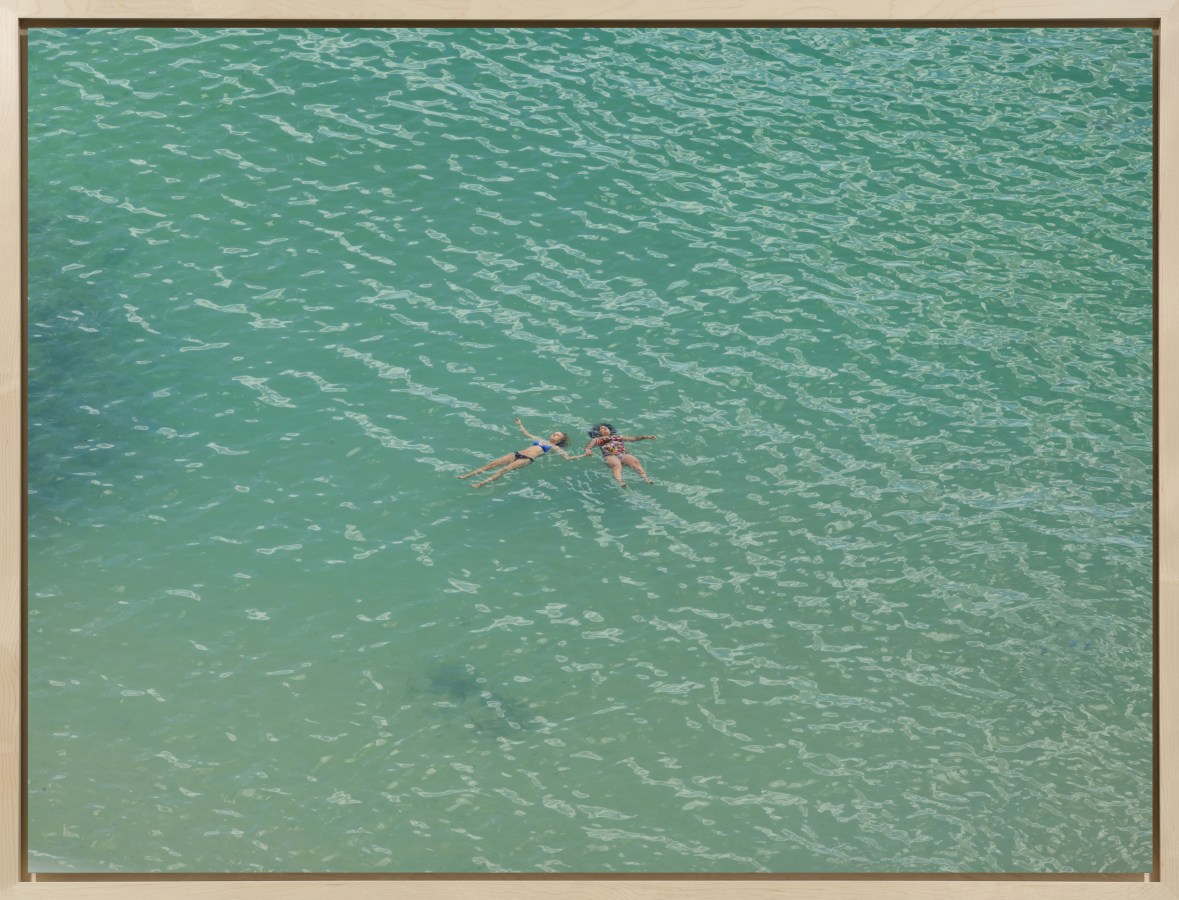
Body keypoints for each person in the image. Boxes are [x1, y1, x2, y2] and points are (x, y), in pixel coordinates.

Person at [458, 418, 577, 488]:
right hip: (517, 453)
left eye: (558, 435)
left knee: (505, 469)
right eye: (554, 433)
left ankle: (480, 484)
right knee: (493, 463)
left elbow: (567, 458)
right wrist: (520, 424)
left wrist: (583, 455)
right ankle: (467, 476)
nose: (554, 434)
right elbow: (527, 434)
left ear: (560, 440)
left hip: (527, 459)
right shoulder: (540, 439)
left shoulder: (555, 448)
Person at [583, 423, 656, 487]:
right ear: (598, 432)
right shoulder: (597, 439)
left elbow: (634, 438)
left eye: (606, 427)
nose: (605, 428)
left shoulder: (618, 437)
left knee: (635, 462)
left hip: (623, 454)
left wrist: (646, 437)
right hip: (610, 455)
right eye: (602, 428)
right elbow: (588, 447)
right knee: (616, 465)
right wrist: (588, 450)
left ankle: (646, 479)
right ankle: (620, 482)